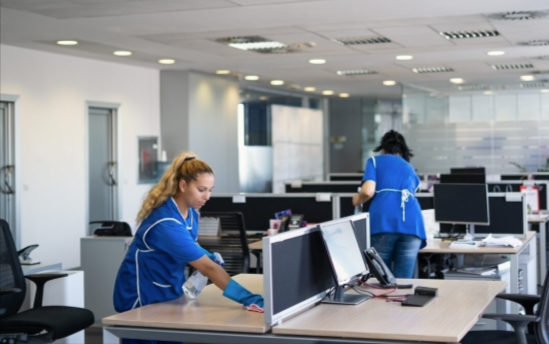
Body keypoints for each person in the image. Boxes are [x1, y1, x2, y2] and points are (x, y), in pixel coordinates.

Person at [113, 152, 263, 344]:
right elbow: (208, 268)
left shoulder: (190, 212)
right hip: (142, 297)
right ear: (183, 185)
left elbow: (187, 245)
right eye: (201, 189)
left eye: (210, 189)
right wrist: (249, 298)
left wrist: (206, 254)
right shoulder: (165, 223)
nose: (207, 196)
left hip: (168, 290)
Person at [352, 130, 425, 278]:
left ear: (383, 148)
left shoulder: (374, 161)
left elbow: (367, 192)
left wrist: (357, 200)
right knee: (402, 279)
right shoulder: (409, 168)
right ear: (403, 151)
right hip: (413, 225)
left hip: (384, 222)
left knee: (380, 278)